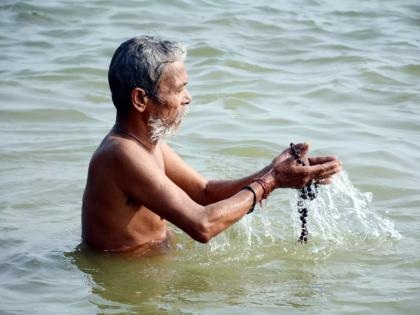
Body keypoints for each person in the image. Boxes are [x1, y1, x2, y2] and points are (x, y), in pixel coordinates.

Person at [81, 36, 342, 254]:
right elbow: (202, 225)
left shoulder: (147, 145)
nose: (188, 98)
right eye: (179, 90)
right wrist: (271, 181)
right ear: (140, 99)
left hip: (153, 271)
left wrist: (276, 170)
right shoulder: (120, 154)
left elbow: (204, 192)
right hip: (132, 290)